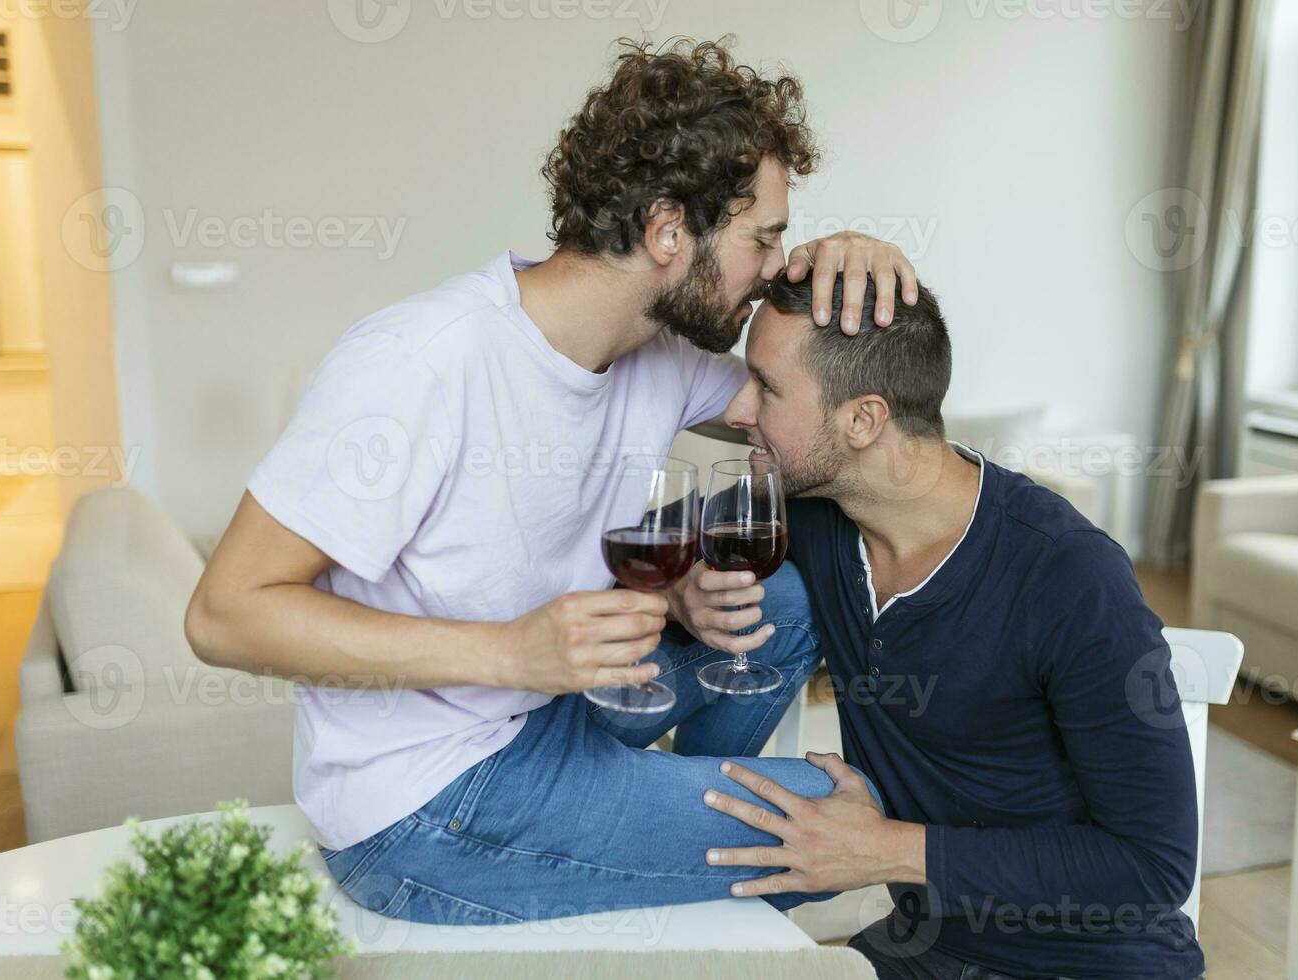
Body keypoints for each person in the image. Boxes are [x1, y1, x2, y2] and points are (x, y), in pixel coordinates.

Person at [184, 37, 914, 924]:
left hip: (558, 710)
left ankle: (668, 813)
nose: (770, 267)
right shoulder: (421, 362)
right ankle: (676, 837)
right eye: (764, 239)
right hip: (430, 803)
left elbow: (813, 420)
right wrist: (507, 651)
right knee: (846, 821)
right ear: (667, 229)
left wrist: (845, 262)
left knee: (789, 601)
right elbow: (224, 612)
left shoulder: (661, 352)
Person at [683, 272, 1206, 979]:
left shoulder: (1069, 575)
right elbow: (657, 535)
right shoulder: (814, 516)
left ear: (863, 420)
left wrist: (889, 850)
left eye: (765, 387)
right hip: (923, 951)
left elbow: (1154, 866)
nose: (738, 408)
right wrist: (680, 586)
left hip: (1097, 964)